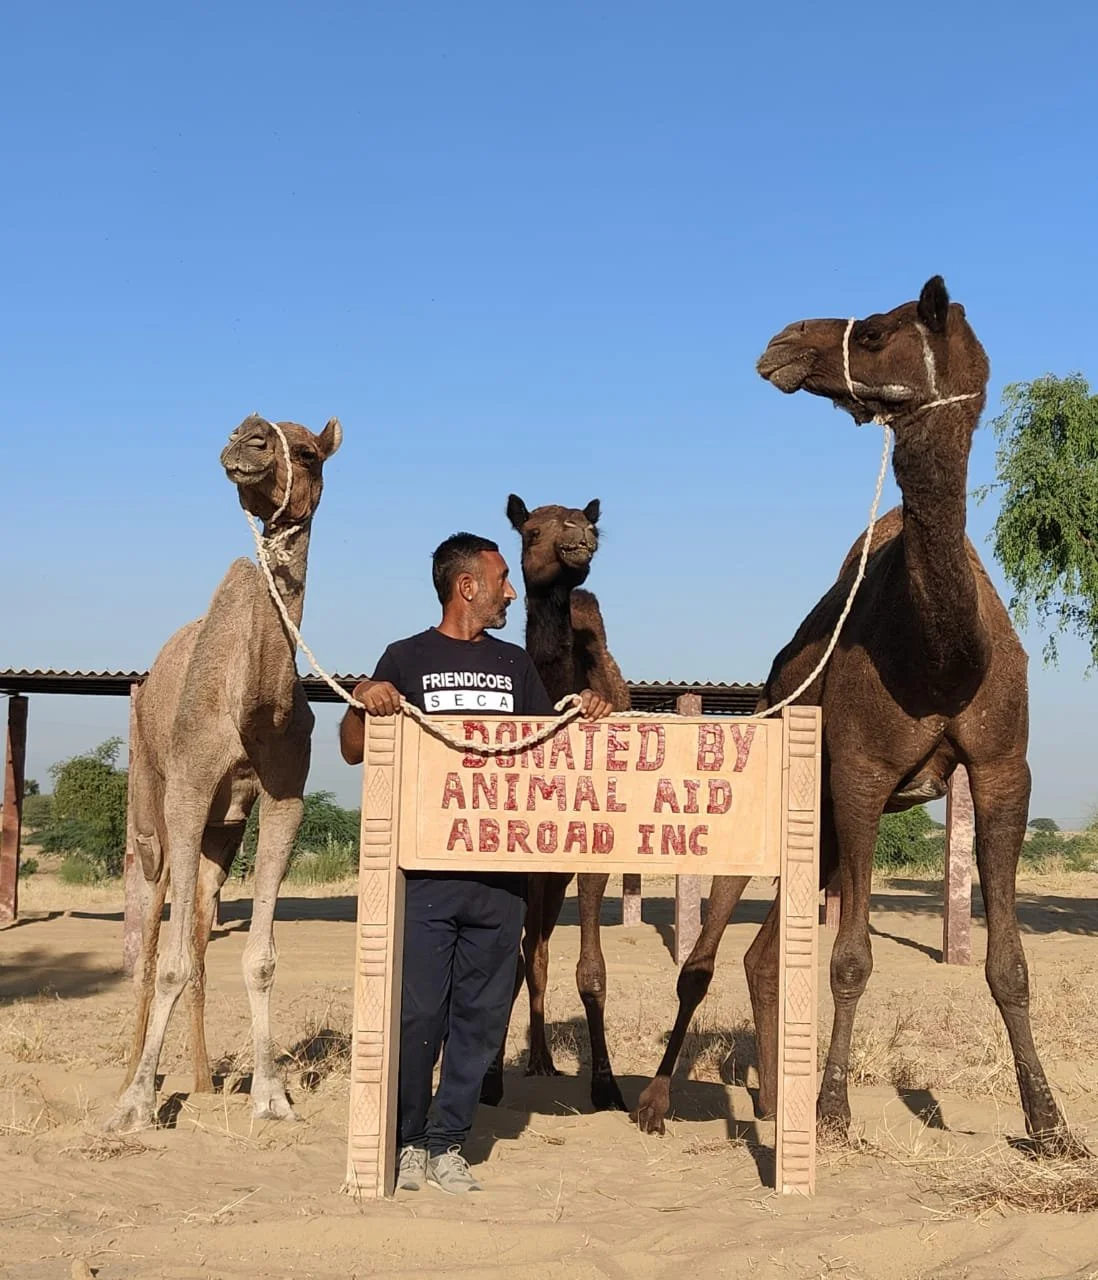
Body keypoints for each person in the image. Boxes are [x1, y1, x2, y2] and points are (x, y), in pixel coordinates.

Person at [339, 532, 612, 1195]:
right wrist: (365, 697)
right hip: (426, 878)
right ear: (468, 587)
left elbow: (549, 754)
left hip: (502, 881)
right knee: (417, 1017)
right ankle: (404, 1139)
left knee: (482, 1021)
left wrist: (590, 711)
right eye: (500, 580)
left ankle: (446, 1143)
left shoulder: (516, 667)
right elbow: (353, 748)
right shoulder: (404, 659)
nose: (510, 592)